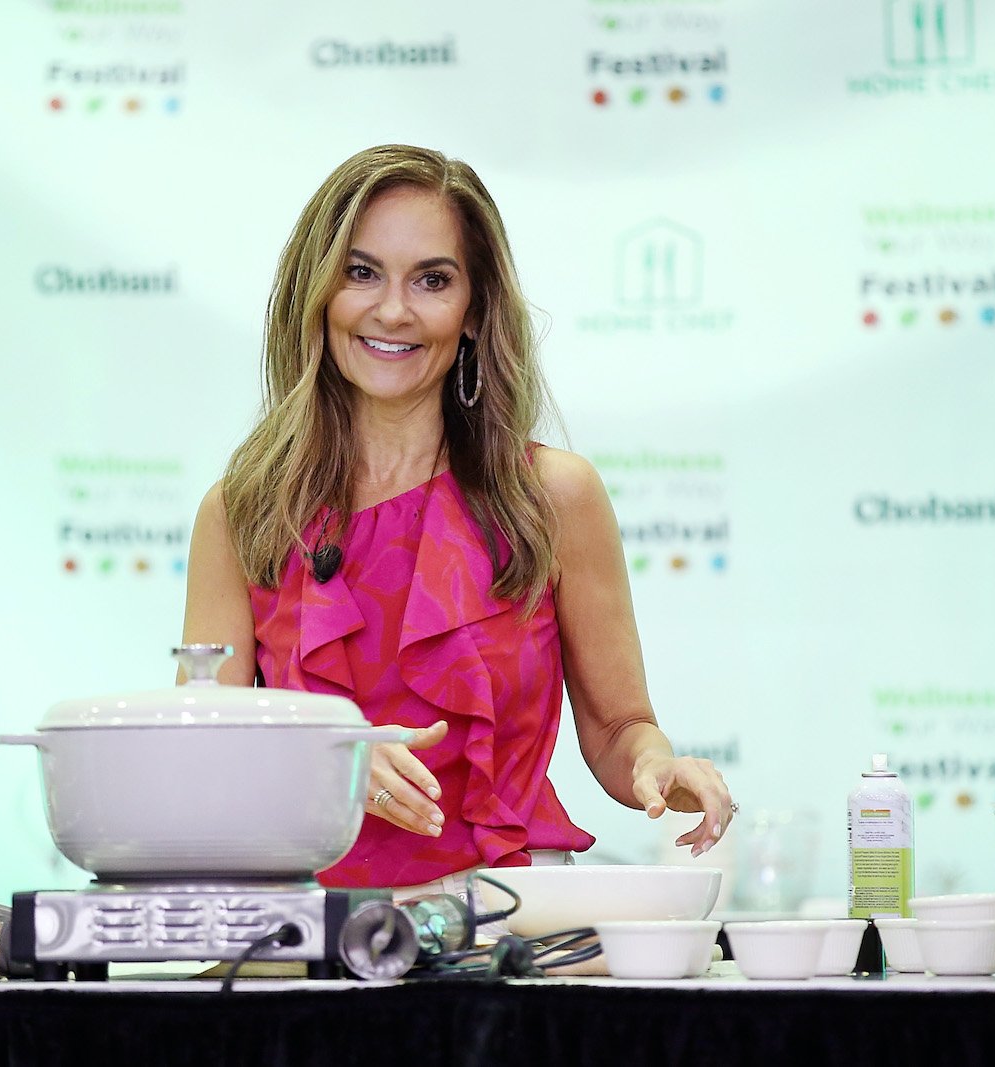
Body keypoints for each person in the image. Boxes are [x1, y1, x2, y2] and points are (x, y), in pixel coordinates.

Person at [181, 144, 734, 903]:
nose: (393, 309)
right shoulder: (243, 511)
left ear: (474, 310)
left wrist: (657, 765)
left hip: (510, 918)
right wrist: (316, 755)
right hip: (308, 923)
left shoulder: (554, 495)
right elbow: (199, 751)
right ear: (316, 291)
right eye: (361, 271)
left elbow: (617, 731)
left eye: (432, 280)